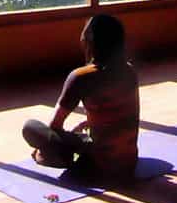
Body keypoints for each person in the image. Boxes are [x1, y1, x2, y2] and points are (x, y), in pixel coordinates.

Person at [22, 14, 139, 182]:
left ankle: (55, 157)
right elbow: (122, 113)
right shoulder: (129, 71)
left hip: (98, 165)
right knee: (79, 136)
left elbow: (55, 125)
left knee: (31, 127)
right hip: (128, 162)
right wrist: (89, 123)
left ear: (89, 42)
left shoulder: (80, 77)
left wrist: (45, 146)